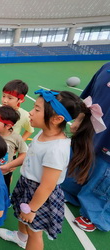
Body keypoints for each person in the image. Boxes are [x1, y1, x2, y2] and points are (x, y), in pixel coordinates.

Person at [0, 89, 95, 250]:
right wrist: (10, 165)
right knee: (23, 219)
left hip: (40, 194)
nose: (30, 112)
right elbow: (30, 155)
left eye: (36, 109)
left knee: (34, 231)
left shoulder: (55, 149)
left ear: (57, 119)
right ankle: (21, 237)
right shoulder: (42, 134)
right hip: (27, 185)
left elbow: (47, 186)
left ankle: (27, 238)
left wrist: (32, 208)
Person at [61, 62, 109, 232]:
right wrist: (79, 120)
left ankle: (95, 216)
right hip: (89, 130)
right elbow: (89, 98)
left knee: (103, 174)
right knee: (79, 159)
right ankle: (70, 193)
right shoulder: (106, 67)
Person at [0, 106, 28, 195]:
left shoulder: (16, 138)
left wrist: (12, 164)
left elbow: (24, 154)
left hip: (4, 173)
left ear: (8, 126)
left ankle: (3, 204)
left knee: (3, 191)